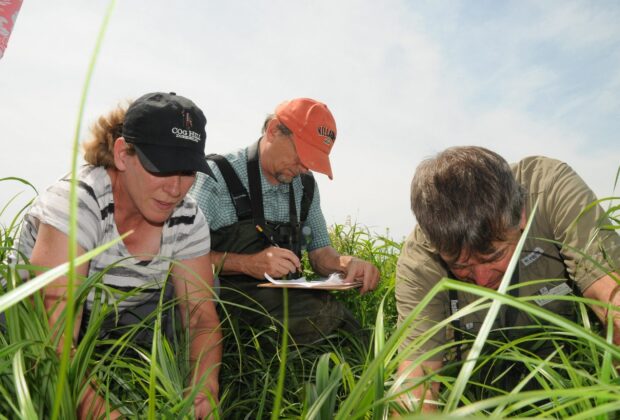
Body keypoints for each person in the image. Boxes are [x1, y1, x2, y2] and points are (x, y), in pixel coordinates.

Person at [16, 92, 222, 418]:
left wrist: (204, 389)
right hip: (37, 322)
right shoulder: (78, 202)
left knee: (208, 288)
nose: (176, 188)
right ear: (123, 154)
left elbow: (200, 318)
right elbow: (52, 340)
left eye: (188, 171)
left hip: (115, 322)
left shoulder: (189, 216)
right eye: (162, 168)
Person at [395, 146, 620, 411]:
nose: (481, 279)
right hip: (481, 388)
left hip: (569, 368)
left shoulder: (550, 189)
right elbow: (416, 380)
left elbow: (611, 297)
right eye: (460, 265)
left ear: (520, 215)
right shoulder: (419, 258)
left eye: (493, 256)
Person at [190, 97, 380, 344]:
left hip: (288, 301)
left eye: (312, 162)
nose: (304, 168)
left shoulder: (305, 186)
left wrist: (346, 264)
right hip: (222, 304)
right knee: (326, 321)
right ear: (273, 131)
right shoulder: (216, 177)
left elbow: (320, 254)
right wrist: (248, 264)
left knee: (353, 334)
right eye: (302, 156)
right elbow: (180, 260)